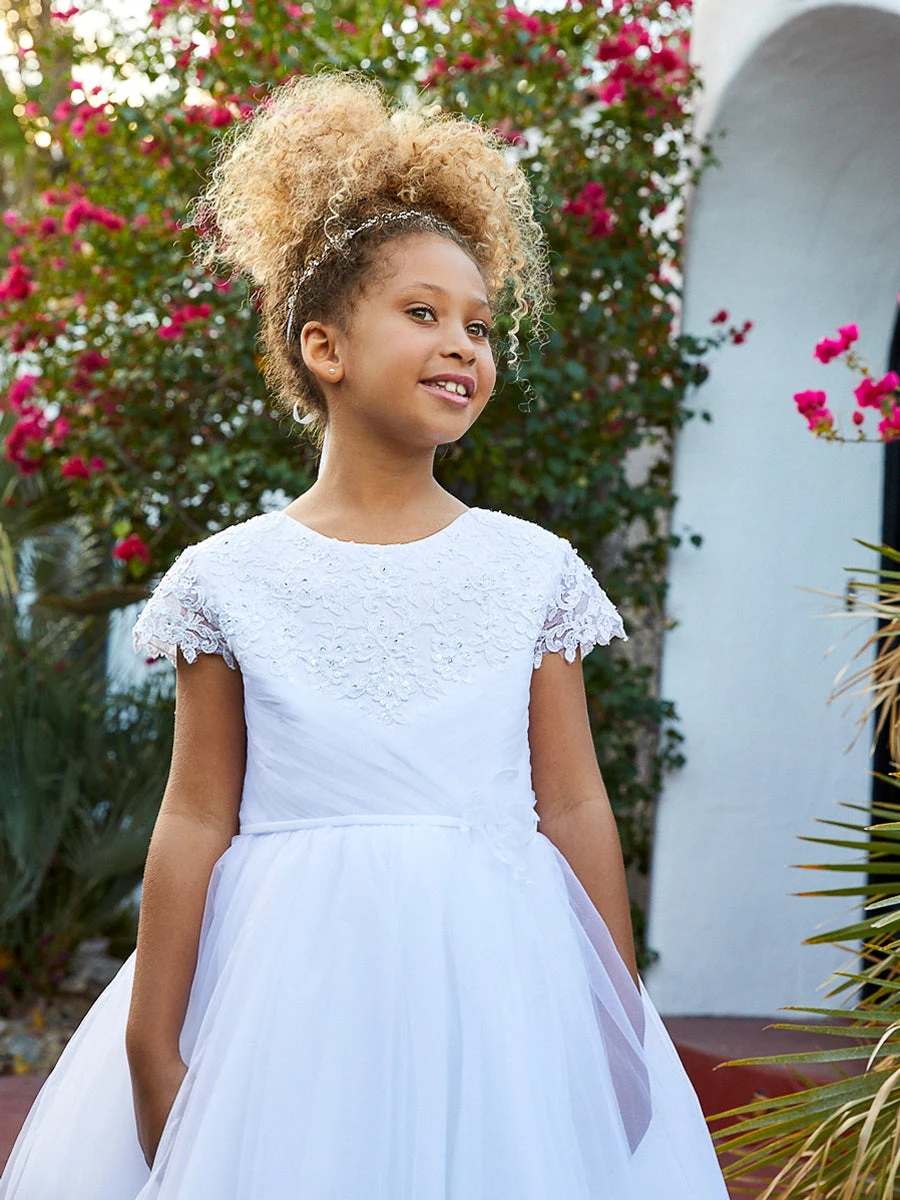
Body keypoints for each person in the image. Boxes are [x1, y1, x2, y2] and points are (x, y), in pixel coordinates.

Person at [0, 73, 729, 1199]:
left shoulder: (531, 572)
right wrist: (152, 1043)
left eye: (479, 324)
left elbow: (577, 806)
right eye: (423, 313)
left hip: (502, 1004)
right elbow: (194, 817)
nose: (463, 344)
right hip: (281, 1007)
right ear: (325, 348)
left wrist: (617, 1018)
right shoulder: (230, 580)